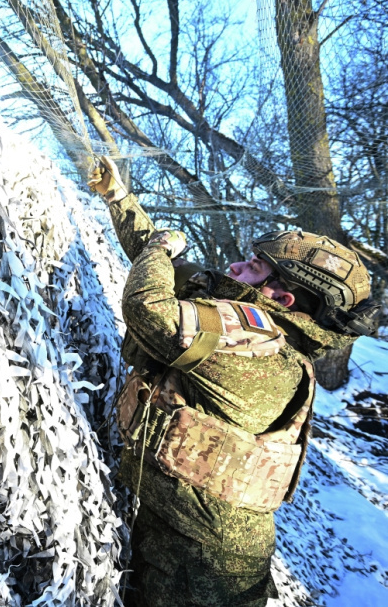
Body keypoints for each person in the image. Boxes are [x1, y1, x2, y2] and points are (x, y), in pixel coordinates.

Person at [88, 156, 379, 606]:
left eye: (254, 267)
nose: (237, 266)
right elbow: (173, 270)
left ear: (281, 298)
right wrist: (119, 197)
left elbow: (150, 309)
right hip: (194, 541)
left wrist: (161, 248)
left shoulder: (252, 342)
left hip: (202, 570)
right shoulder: (263, 334)